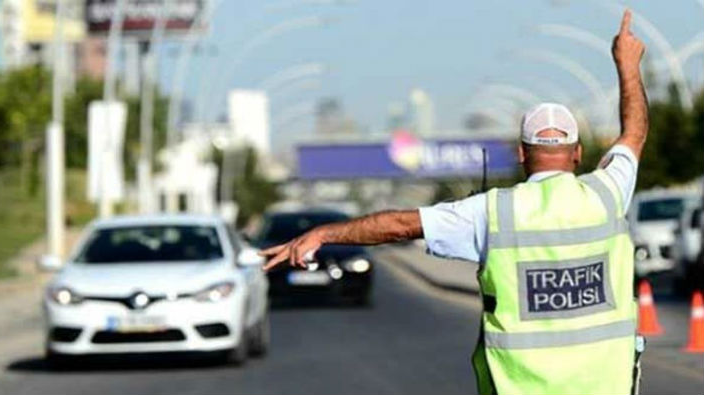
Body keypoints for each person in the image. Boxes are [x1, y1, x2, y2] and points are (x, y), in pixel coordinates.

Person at [261, 10, 647, 395]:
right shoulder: (607, 193)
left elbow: (398, 225)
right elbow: (634, 134)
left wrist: (324, 233)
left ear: (521, 154)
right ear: (577, 153)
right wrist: (627, 65)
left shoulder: (492, 212)